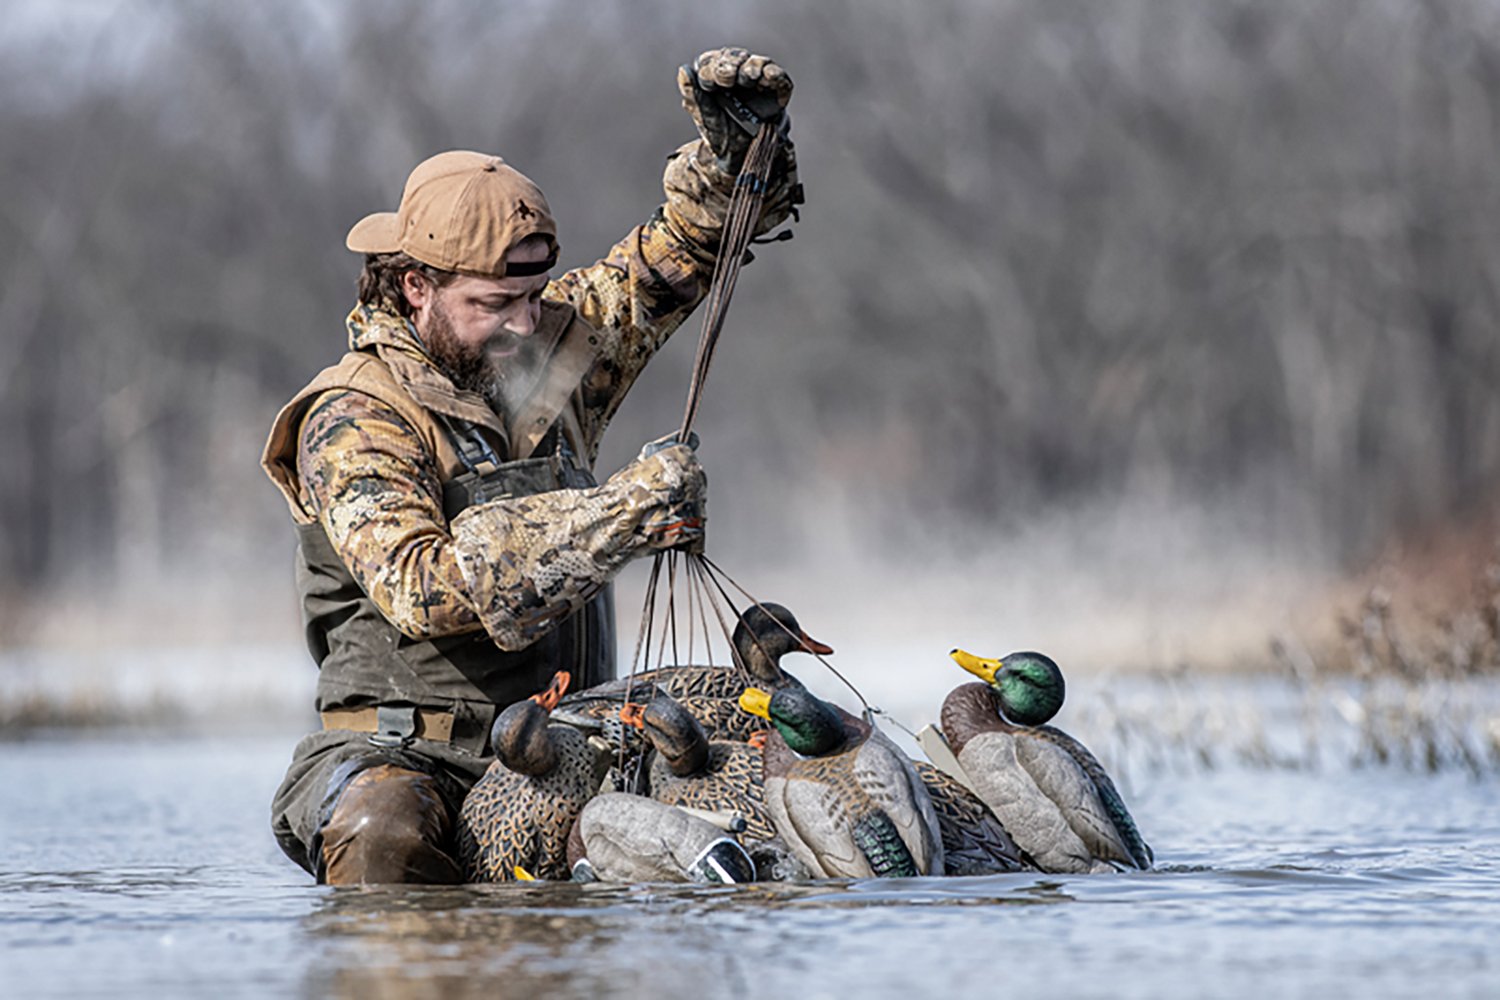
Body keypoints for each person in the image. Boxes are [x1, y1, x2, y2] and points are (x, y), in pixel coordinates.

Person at [260, 48, 801, 884]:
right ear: (415, 286)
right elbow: (424, 585)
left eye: (534, 296)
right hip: (407, 757)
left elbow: (684, 255)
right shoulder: (352, 414)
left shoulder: (548, 338)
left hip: (575, 744)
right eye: (491, 305)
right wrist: (619, 513)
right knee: (382, 833)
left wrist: (735, 158)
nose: (522, 325)